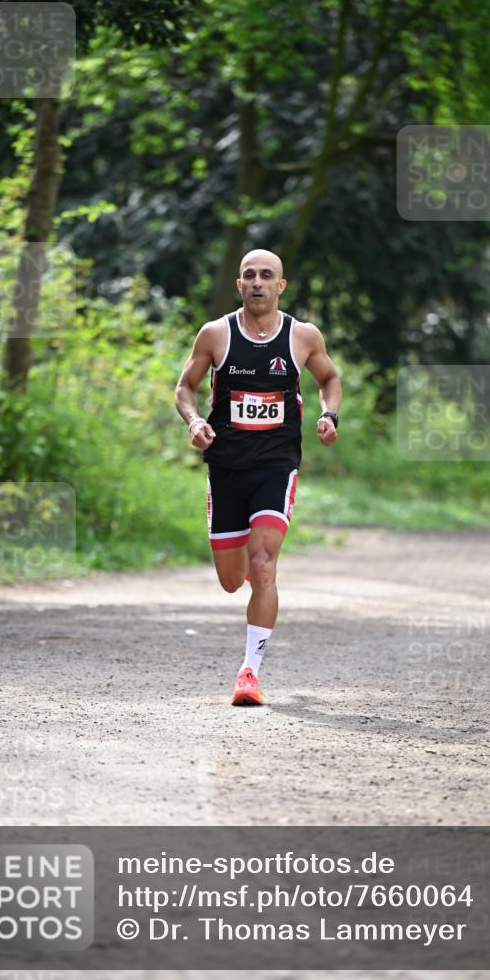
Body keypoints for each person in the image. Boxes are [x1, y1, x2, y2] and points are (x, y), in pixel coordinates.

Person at [175, 249, 341, 706]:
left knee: (264, 563)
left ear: (281, 286)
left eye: (267, 276)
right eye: (248, 275)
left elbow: (329, 377)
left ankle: (249, 672)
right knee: (233, 580)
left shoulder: (302, 336)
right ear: (239, 284)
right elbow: (184, 387)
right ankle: (251, 573)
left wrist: (330, 415)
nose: (257, 282)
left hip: (275, 464)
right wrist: (193, 422)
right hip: (227, 466)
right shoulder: (215, 334)